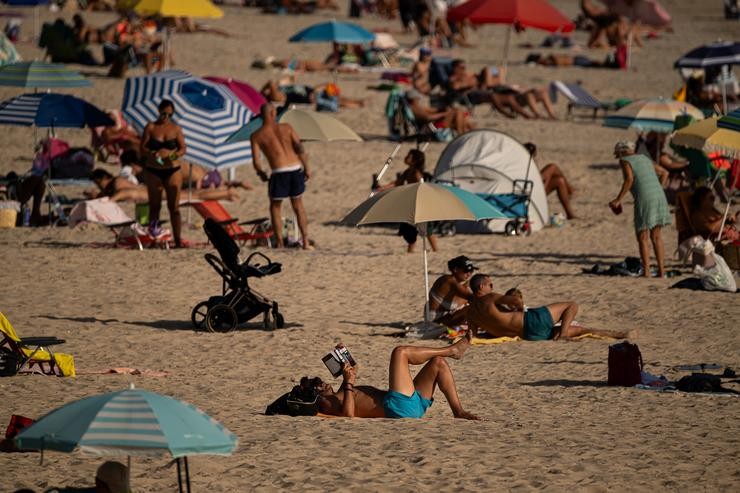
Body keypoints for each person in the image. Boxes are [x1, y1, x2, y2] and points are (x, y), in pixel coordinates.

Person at [310, 333, 479, 419]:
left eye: (320, 381)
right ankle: (452, 350)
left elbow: (353, 373)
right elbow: (348, 415)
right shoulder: (326, 403)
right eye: (318, 386)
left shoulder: (341, 391)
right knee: (400, 352)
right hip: (397, 407)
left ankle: (458, 411)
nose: (323, 383)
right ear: (315, 395)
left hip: (410, 403)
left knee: (438, 363)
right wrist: (347, 383)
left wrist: (345, 357)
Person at [467, 274, 634, 340]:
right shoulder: (490, 297)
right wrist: (517, 307)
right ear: (481, 287)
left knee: (581, 330)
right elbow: (516, 301)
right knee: (571, 305)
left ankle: (619, 334)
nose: (492, 286)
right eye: (490, 284)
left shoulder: (470, 313)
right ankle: (619, 334)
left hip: (528, 335)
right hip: (532, 320)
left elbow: (474, 335)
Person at [250, 103, 312, 249]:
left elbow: (256, 161)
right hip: (295, 168)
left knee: (275, 207)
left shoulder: (257, 135)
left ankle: (279, 243)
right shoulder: (287, 128)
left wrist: (261, 174)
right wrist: (307, 168)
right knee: (298, 206)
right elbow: (299, 147)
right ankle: (306, 241)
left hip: (279, 172)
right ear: (273, 113)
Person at [609, 141, 672, 278]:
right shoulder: (644, 158)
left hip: (644, 198)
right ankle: (662, 271)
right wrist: (656, 189)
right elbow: (664, 173)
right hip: (659, 196)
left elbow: (629, 179)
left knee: (642, 236)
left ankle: (647, 272)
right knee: (657, 236)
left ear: (621, 152)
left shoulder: (625, 160)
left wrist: (618, 199)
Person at [140, 99, 187, 247]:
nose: (166, 117)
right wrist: (153, 153)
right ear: (158, 111)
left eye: (169, 115)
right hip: (154, 170)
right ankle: (154, 239)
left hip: (172, 169)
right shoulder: (151, 127)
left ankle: (178, 240)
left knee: (174, 208)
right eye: (163, 113)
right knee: (155, 207)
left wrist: (171, 155)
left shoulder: (176, 129)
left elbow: (183, 149)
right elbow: (142, 148)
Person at [374, 149, 438, 253]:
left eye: (409, 156)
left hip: (420, 204)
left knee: (427, 230)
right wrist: (382, 188)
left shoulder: (417, 173)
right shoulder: (408, 171)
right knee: (409, 231)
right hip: (411, 204)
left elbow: (421, 188)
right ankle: (410, 251)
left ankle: (436, 251)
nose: (406, 157)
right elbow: (397, 183)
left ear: (415, 160)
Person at [523, 143, 576, 219]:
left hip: (534, 189)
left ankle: (570, 215)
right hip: (530, 194)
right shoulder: (523, 164)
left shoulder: (528, 162)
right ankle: (571, 190)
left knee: (559, 181)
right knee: (553, 167)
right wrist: (545, 180)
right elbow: (536, 180)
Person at [428, 255, 477, 326]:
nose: (469, 274)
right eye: (466, 271)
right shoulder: (449, 281)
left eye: (471, 271)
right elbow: (472, 297)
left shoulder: (463, 283)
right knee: (473, 308)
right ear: (456, 269)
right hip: (436, 321)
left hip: (448, 317)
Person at [405, 89, 473, 135]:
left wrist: (444, 109)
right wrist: (444, 114)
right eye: (417, 98)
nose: (418, 100)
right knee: (457, 112)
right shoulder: (413, 108)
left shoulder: (418, 107)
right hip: (429, 128)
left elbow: (432, 110)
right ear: (413, 99)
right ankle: (461, 133)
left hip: (433, 125)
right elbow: (428, 117)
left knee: (458, 111)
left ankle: (464, 132)